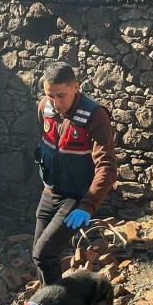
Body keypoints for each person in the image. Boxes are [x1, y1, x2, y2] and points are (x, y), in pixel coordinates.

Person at [31, 61, 117, 284]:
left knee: (44, 254)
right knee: (38, 256)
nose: (55, 103)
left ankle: (55, 302)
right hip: (50, 192)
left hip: (76, 198)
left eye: (61, 95)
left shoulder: (94, 116)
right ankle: (47, 300)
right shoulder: (44, 108)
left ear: (76, 87)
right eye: (50, 95)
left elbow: (107, 167)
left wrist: (88, 205)